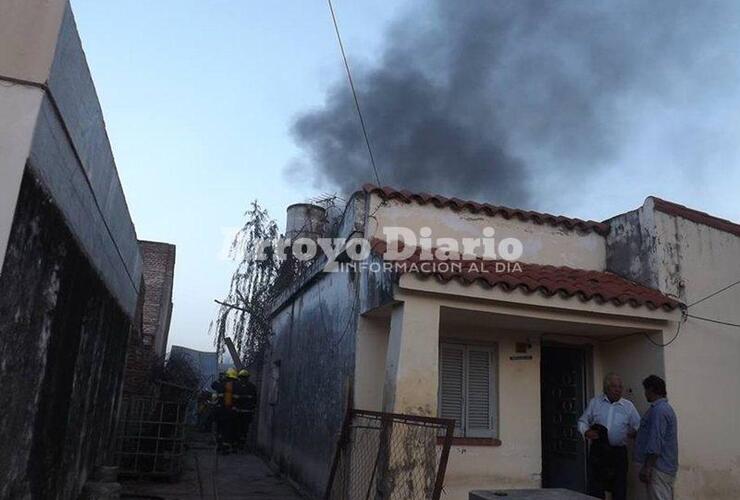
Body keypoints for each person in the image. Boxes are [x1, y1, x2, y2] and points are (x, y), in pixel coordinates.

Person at [578, 373, 640, 500]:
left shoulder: (628, 406)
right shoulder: (595, 403)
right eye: (614, 387)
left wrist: (634, 433)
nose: (618, 390)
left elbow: (639, 426)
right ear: (606, 388)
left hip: (618, 453)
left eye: (620, 387)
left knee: (619, 488)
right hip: (599, 452)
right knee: (596, 487)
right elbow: (582, 421)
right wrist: (586, 431)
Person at [635, 375, 678, 500]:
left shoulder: (659, 410)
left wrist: (648, 467)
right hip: (664, 466)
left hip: (658, 467)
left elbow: (656, 441)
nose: (645, 394)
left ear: (651, 390)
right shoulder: (664, 409)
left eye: (646, 390)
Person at [211, 367, 239, 453]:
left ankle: (219, 445)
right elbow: (235, 400)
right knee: (227, 430)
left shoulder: (220, 385)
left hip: (219, 411)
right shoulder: (234, 386)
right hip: (228, 412)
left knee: (219, 428)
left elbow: (213, 386)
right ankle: (225, 447)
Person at [234, 369, 258, 450]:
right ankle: (240, 444)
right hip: (243, 412)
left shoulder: (237, 386)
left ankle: (239, 444)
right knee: (242, 429)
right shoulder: (252, 387)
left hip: (242, 412)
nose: (243, 379)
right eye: (242, 378)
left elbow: (254, 399)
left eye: (244, 378)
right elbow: (254, 399)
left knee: (241, 429)